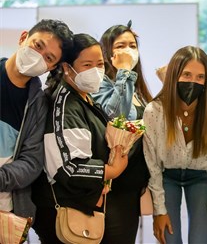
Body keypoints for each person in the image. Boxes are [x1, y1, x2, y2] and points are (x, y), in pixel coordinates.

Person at [31, 33, 128, 243]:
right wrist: (113, 170)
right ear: (67, 68)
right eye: (87, 65)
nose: (96, 71)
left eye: (100, 64)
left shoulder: (84, 98)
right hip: (62, 211)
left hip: (82, 207)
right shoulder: (65, 104)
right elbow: (70, 167)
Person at [143, 46, 207, 244]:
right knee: (170, 240)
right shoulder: (154, 111)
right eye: (186, 74)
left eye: (200, 77)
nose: (193, 82)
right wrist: (159, 210)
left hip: (202, 177)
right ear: (174, 74)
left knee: (200, 241)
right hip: (166, 177)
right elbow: (151, 163)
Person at [0, 19, 73, 223]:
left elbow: (32, 162)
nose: (38, 57)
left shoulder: (39, 105)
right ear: (24, 38)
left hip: (6, 211)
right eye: (37, 46)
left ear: (51, 67)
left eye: (48, 57)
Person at [91, 22, 151, 242]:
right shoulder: (101, 83)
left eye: (132, 45)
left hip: (132, 185)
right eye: (121, 45)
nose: (128, 50)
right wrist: (124, 71)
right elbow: (116, 117)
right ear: (108, 52)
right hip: (112, 184)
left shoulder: (137, 87)